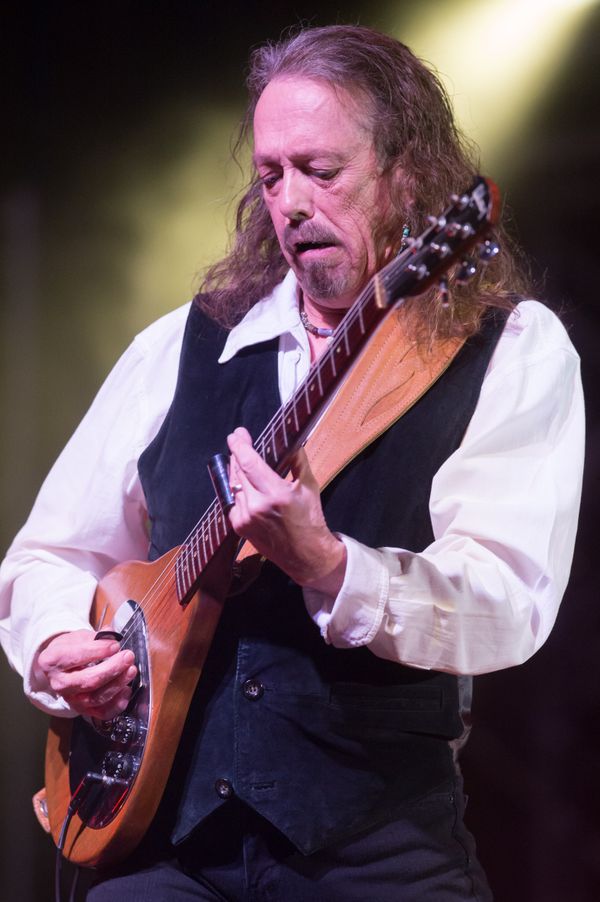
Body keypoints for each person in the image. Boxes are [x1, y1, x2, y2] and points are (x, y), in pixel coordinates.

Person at [0, 24, 584, 902]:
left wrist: (332, 566)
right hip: (164, 844)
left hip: (375, 844)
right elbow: (49, 555)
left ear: (405, 175)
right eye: (272, 176)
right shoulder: (182, 345)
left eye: (321, 170)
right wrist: (56, 644)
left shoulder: (507, 350)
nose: (293, 203)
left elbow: (508, 601)